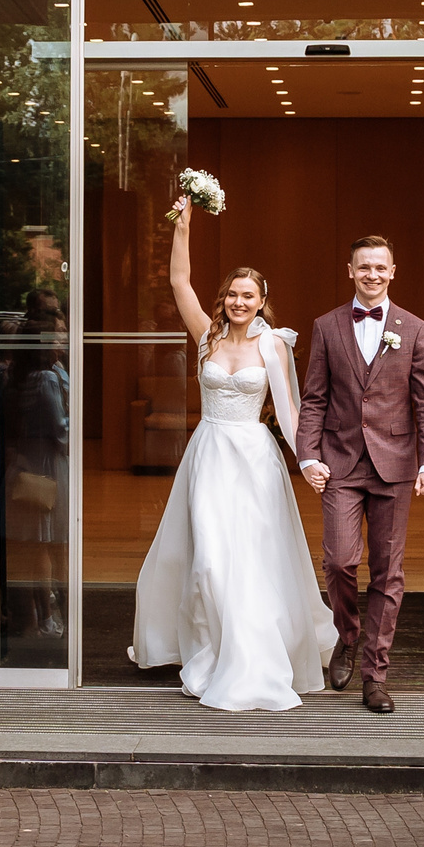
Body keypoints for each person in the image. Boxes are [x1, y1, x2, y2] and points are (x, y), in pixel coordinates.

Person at [132, 197, 337, 711]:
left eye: (249, 296)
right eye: (232, 295)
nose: (238, 303)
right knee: (208, 560)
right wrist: (183, 227)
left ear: (263, 299)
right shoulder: (206, 336)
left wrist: (307, 460)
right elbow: (180, 282)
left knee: (252, 558)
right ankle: (209, 649)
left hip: (254, 457)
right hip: (208, 455)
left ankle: (251, 657)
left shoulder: (275, 345)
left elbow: (290, 410)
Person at [295, 235, 424, 715]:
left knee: (388, 572)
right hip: (340, 461)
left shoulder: (414, 329)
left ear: (393, 271)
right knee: (339, 561)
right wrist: (307, 455)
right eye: (364, 267)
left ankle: (375, 675)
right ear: (350, 269)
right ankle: (347, 634)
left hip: (395, 465)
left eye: (381, 268)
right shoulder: (326, 326)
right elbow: (314, 397)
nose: (373, 275)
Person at [6, 291, 71, 638]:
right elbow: (59, 426)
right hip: (45, 464)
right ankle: (46, 616)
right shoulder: (45, 376)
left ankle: (48, 610)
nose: (64, 339)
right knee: (45, 543)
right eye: (59, 335)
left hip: (39, 458)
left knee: (45, 544)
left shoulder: (51, 370)